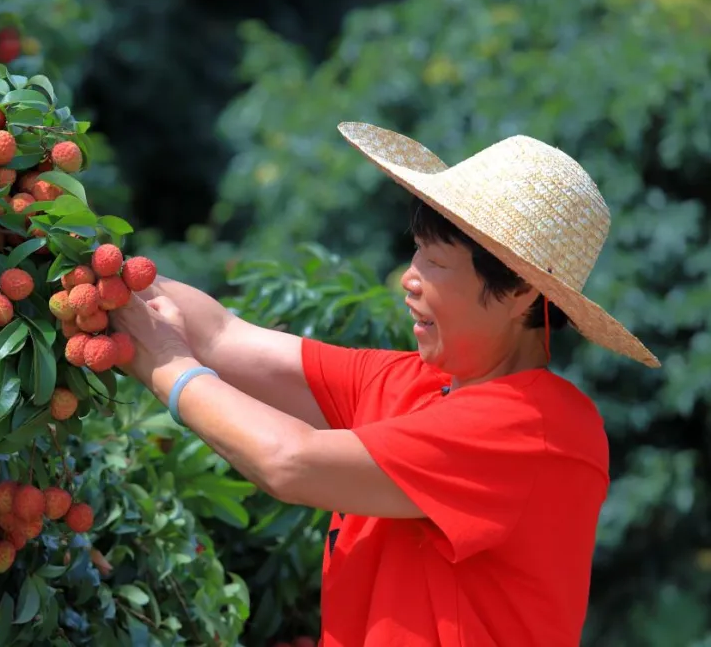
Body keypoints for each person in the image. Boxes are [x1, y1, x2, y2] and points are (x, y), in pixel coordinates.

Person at [108, 122, 661, 647]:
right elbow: (223, 337)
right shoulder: (413, 386)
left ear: (519, 292)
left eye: (437, 263)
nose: (409, 278)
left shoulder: (538, 427)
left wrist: (169, 368)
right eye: (416, 251)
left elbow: (289, 463)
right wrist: (80, 258)